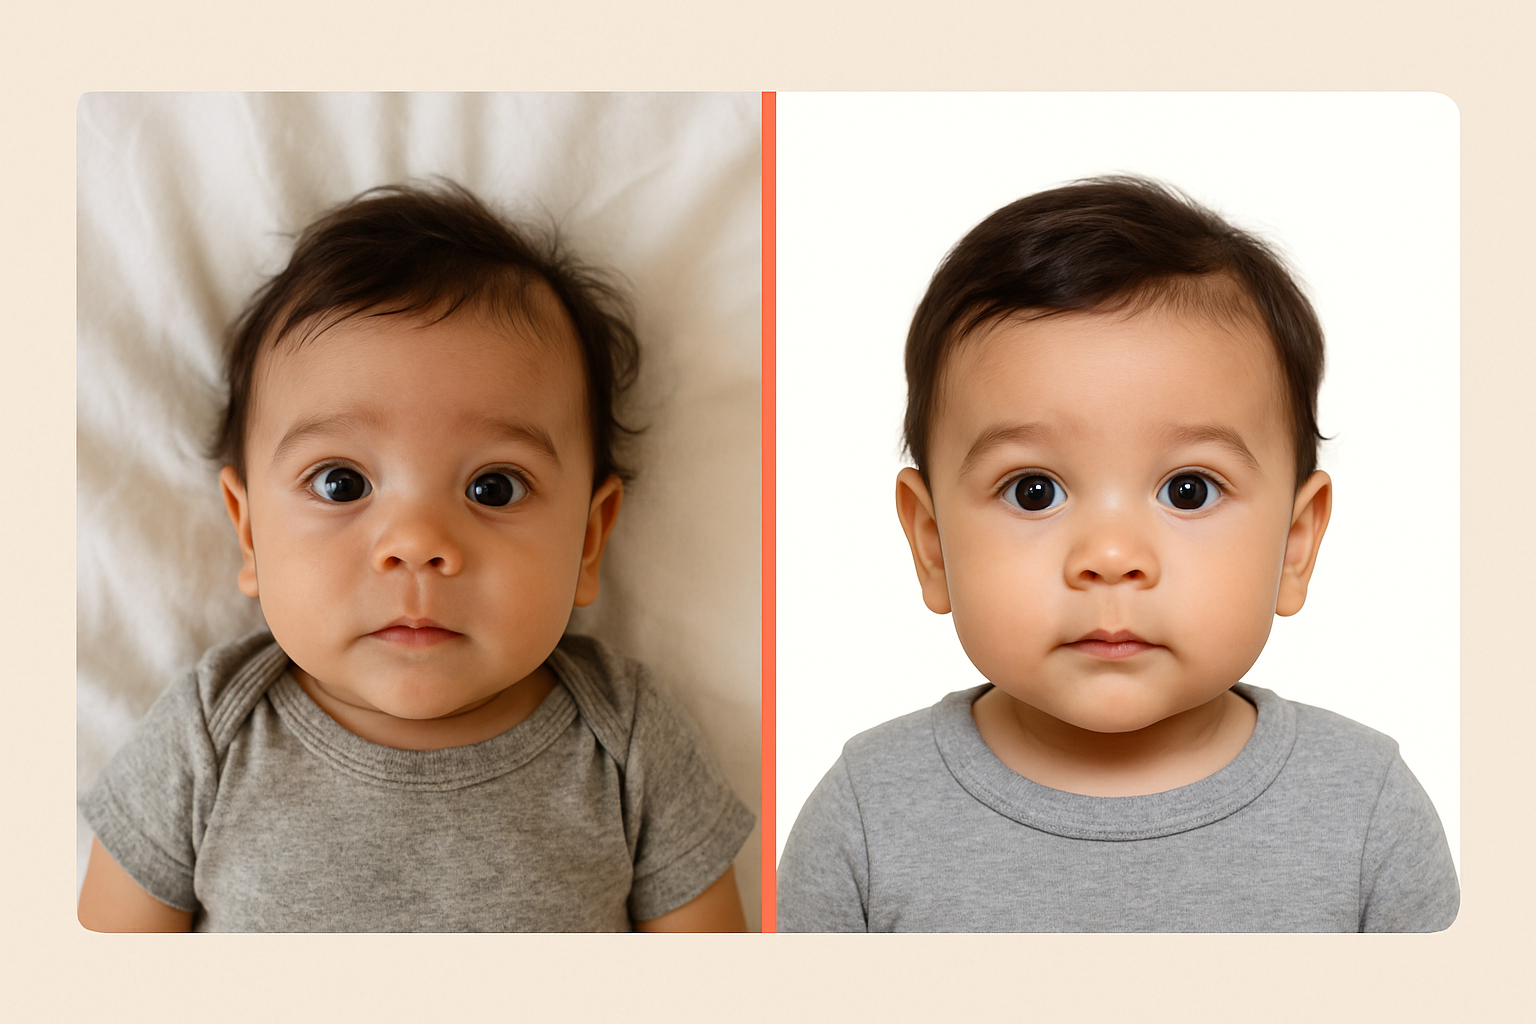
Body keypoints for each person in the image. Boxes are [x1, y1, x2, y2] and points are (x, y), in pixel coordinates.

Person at [776, 176, 1458, 932]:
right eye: (1033, 491)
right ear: (931, 543)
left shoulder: (1366, 814)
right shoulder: (867, 818)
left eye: (1189, 489)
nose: (1109, 557)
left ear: (1296, 544)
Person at [78, 182, 754, 932]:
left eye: (493, 487)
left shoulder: (628, 744)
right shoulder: (210, 737)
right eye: (342, 483)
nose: (417, 545)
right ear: (249, 534)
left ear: (589, 540)